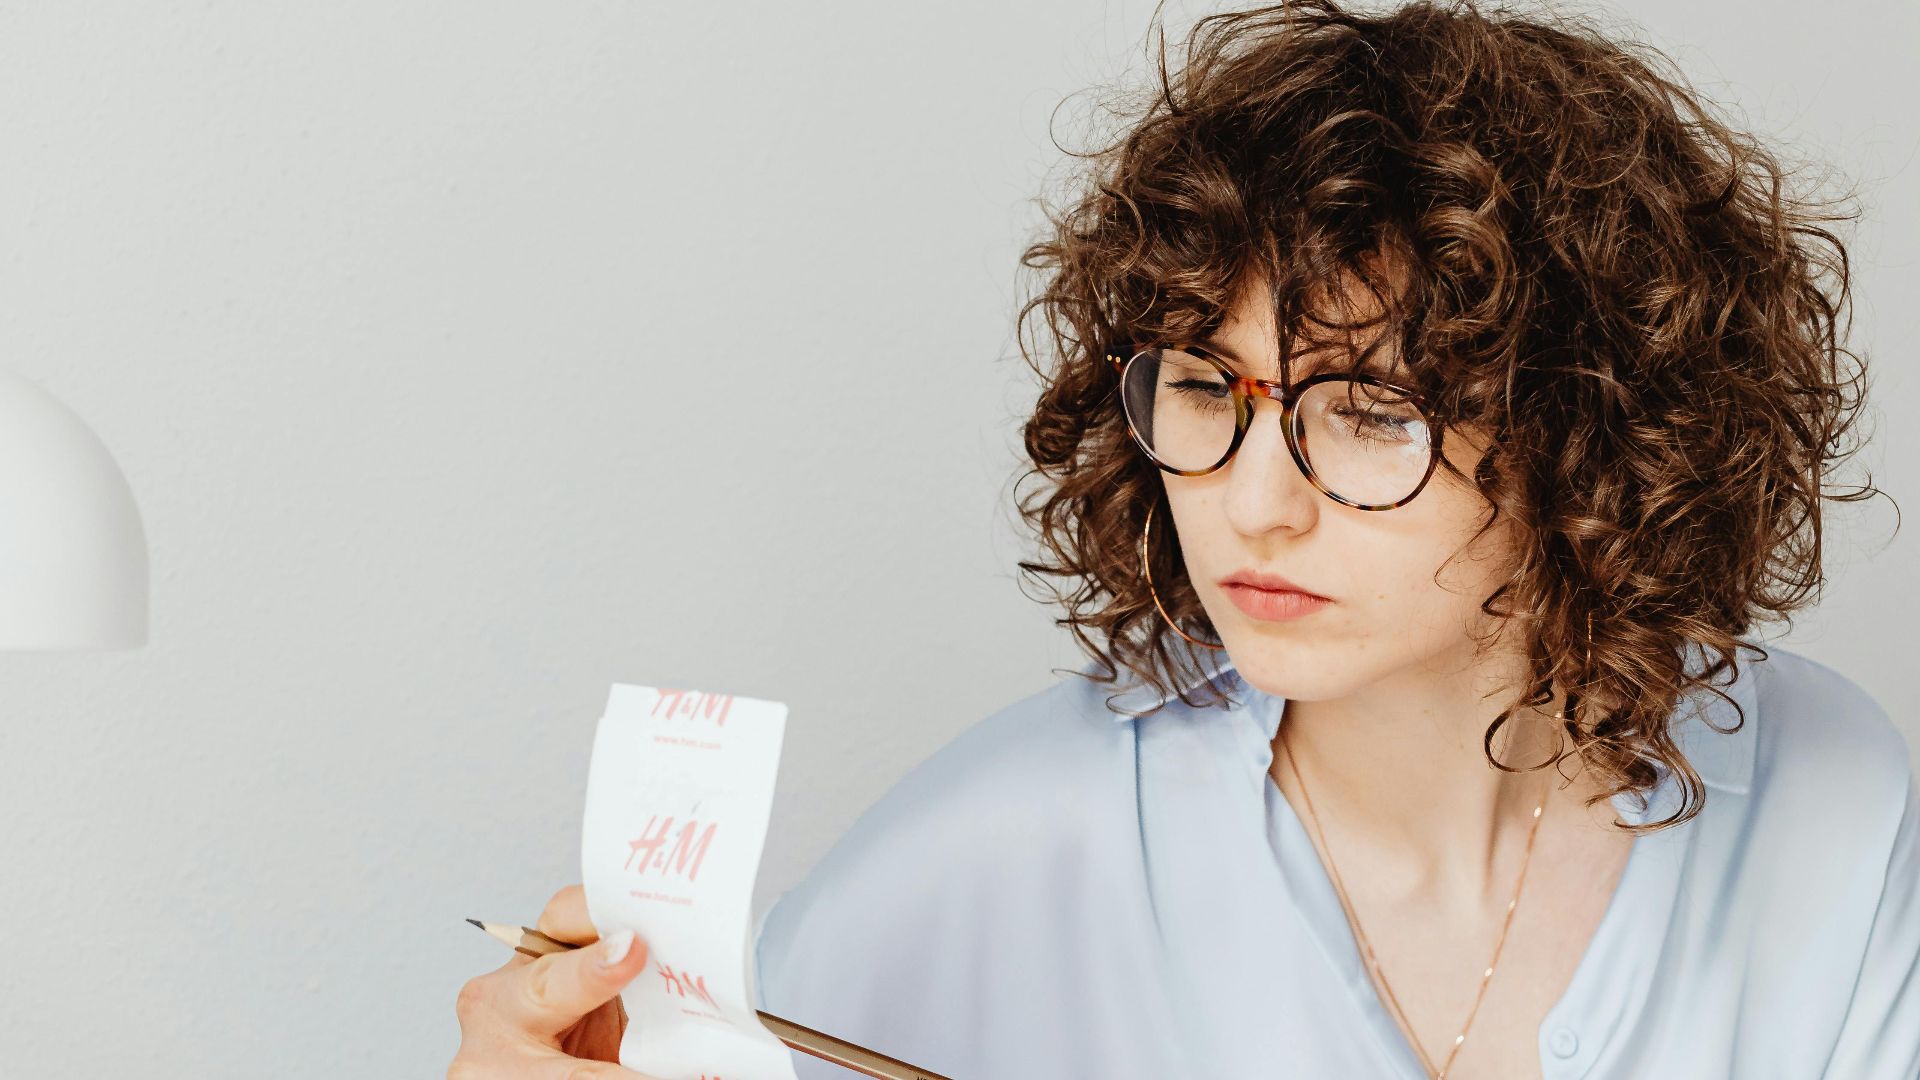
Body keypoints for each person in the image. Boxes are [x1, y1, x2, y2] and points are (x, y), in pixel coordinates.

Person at [447, 1, 1918, 1077]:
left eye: (1366, 412)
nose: (1253, 500)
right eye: (1209, 389)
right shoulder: (1004, 845)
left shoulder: (1823, 803)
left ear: (1593, 433)